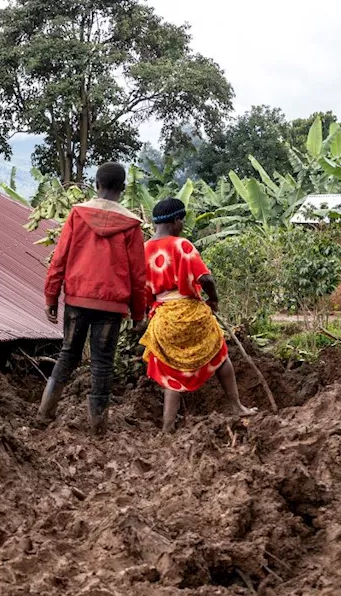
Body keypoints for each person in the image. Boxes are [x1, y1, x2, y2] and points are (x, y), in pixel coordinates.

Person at [39, 162, 148, 434]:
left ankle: (44, 413)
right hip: (111, 307)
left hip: (77, 299)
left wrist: (51, 297)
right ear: (122, 188)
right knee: (102, 363)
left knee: (67, 355)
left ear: (96, 184)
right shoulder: (131, 224)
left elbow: (60, 259)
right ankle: (98, 426)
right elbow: (138, 274)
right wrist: (138, 314)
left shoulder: (78, 214)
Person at [138, 198, 257, 433]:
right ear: (175, 220)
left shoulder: (142, 250)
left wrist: (143, 314)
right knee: (220, 355)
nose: (182, 225)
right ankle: (236, 406)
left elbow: (141, 290)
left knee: (171, 371)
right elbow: (206, 278)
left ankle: (167, 427)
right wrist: (213, 300)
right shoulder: (182, 245)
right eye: (182, 220)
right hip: (192, 313)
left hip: (163, 317)